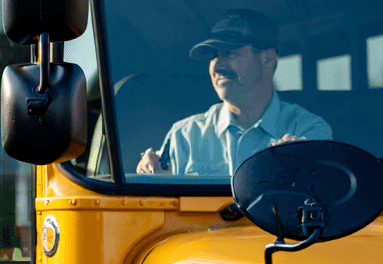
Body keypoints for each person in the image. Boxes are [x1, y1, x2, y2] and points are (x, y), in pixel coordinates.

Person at [138, 9, 332, 177]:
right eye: (214, 55)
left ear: (268, 60)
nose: (218, 65)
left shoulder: (308, 131)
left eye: (230, 52)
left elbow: (318, 203)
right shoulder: (184, 135)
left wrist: (302, 165)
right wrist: (149, 174)